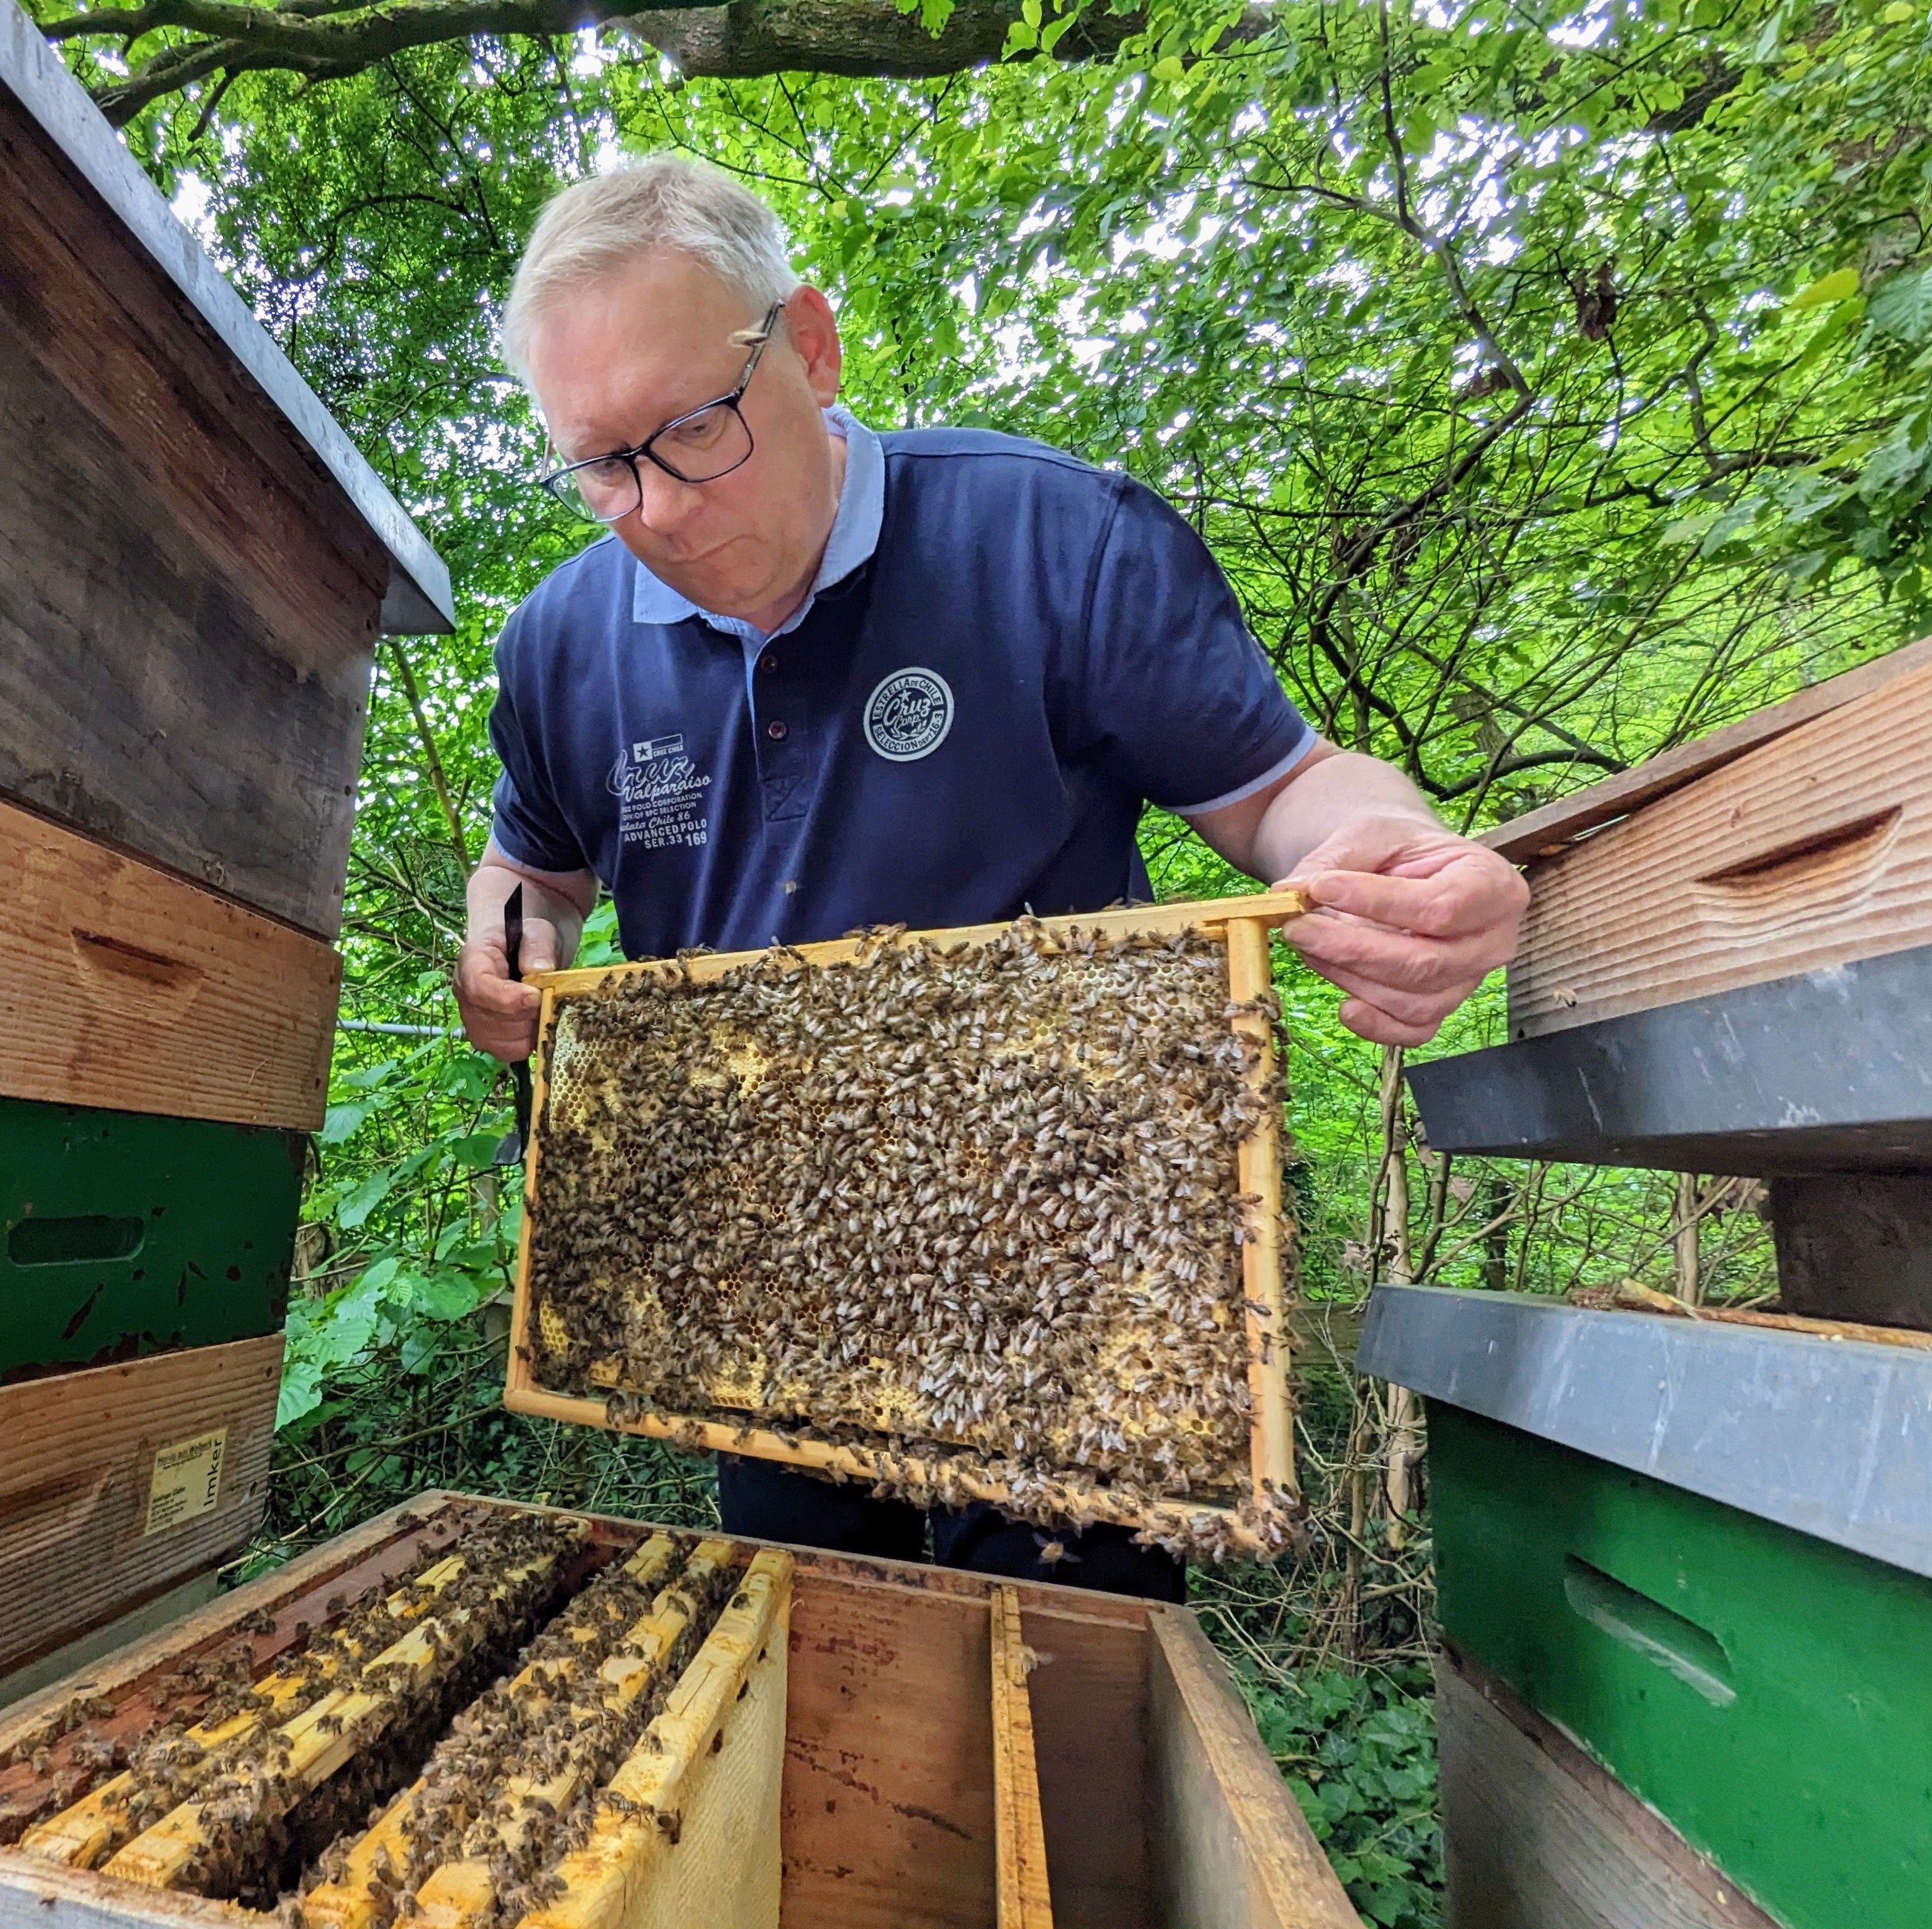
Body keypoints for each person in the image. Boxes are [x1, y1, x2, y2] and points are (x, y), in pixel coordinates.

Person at [452, 156, 1526, 1598]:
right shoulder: (555, 647)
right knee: (820, 1709)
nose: (653, 506)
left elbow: (1287, 790)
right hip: (758, 1291)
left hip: (1068, 1297)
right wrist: (507, 950)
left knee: (1064, 1723)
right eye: (601, 462)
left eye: (693, 429)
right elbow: (534, 874)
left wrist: (1377, 849)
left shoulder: (1061, 540)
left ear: (811, 348)